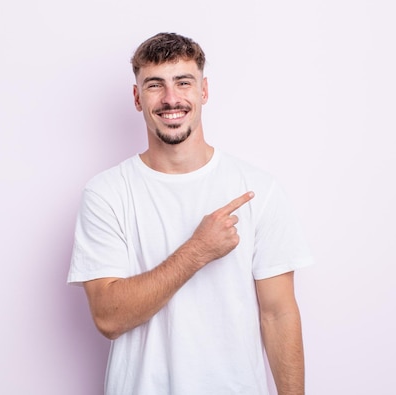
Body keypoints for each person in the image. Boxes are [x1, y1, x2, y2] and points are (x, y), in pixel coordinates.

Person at [67, 32, 314, 395]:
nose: (171, 99)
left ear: (204, 91)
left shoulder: (257, 188)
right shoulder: (106, 194)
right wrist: (197, 251)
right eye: (155, 85)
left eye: (184, 82)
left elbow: (278, 314)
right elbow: (109, 317)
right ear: (137, 98)